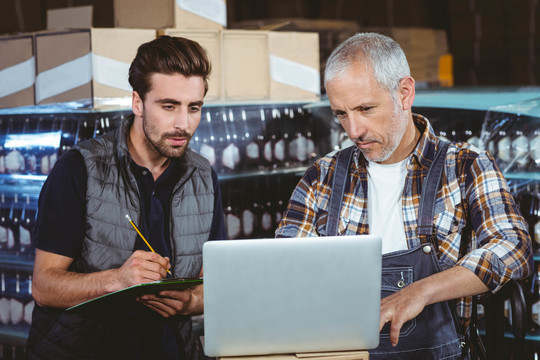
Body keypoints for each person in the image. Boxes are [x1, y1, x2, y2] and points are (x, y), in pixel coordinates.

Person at [275, 32, 533, 359]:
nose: (353, 131)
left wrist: (421, 292)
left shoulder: (467, 168)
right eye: (341, 114)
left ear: (405, 93)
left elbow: (514, 247)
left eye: (365, 109)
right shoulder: (322, 177)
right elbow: (282, 267)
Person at [25, 35, 226, 359]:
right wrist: (116, 279)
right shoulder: (79, 169)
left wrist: (191, 302)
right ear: (137, 102)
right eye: (169, 106)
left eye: (194, 108)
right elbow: (44, 287)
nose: (183, 124)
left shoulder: (203, 177)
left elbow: (216, 284)